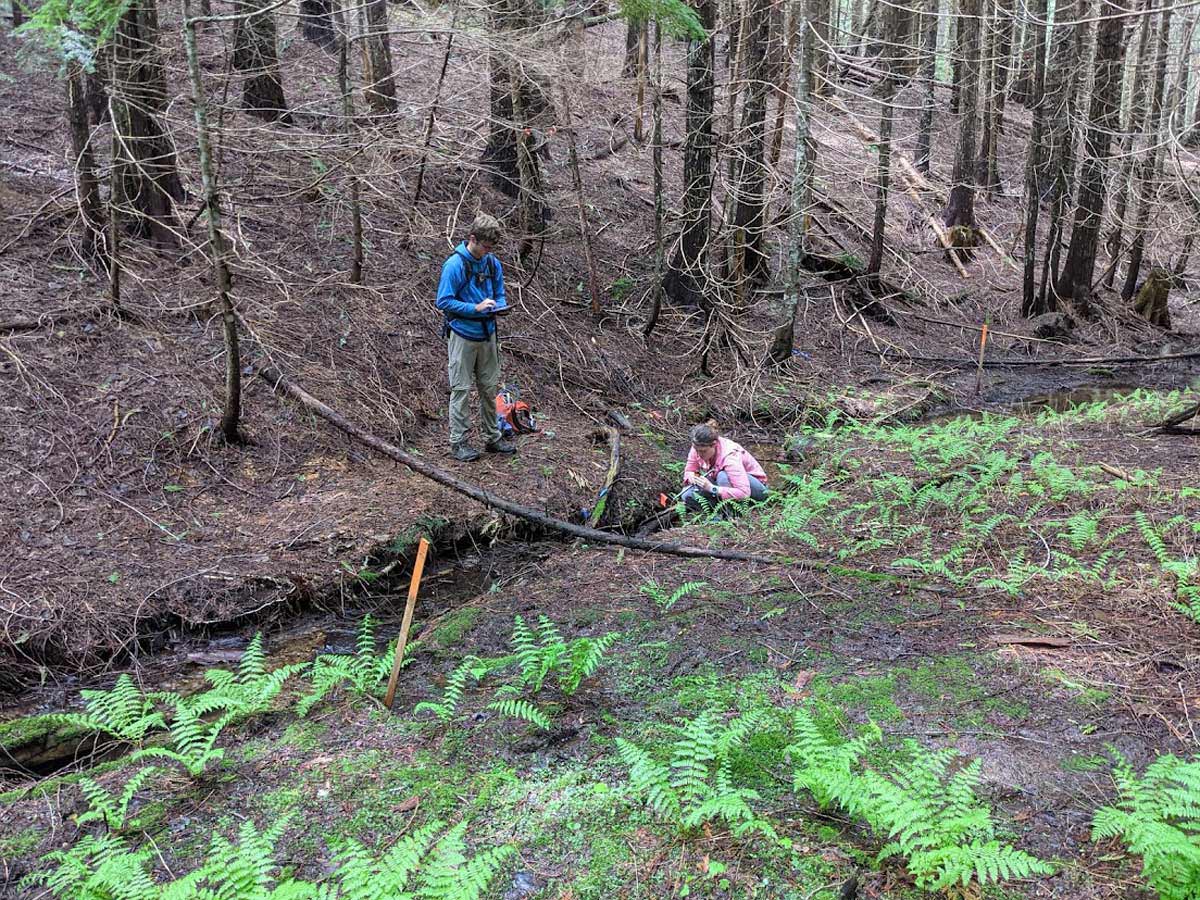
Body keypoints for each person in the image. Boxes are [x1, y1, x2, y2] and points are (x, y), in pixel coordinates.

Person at [436, 213, 517, 462]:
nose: (488, 251)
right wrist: (475, 308)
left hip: (488, 335)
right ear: (472, 239)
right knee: (460, 389)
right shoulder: (455, 265)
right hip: (462, 335)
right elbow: (444, 301)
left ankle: (492, 437)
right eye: (485, 246)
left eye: (492, 248)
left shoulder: (492, 263)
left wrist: (497, 306)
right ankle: (459, 442)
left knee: (489, 387)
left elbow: (500, 294)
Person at [681, 423, 769, 513]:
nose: (699, 454)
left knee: (723, 476)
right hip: (721, 485)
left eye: (703, 451)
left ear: (714, 445)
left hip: (755, 490)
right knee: (686, 494)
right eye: (696, 450)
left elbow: (744, 493)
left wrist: (712, 488)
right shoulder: (697, 446)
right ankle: (717, 509)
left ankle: (732, 513)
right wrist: (692, 476)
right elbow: (689, 470)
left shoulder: (730, 456)